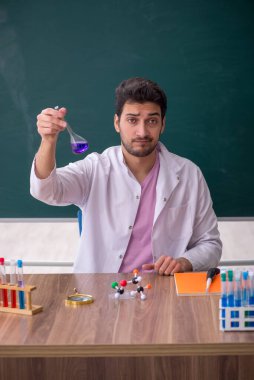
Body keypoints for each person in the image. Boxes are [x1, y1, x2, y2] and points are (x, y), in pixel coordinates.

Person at [30, 77, 222, 274]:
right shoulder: (95, 169)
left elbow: (211, 244)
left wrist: (184, 262)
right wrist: (48, 140)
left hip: (165, 290)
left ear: (162, 124)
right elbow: (45, 190)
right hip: (101, 291)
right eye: (132, 120)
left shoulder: (189, 174)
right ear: (117, 123)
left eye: (152, 121)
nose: (142, 131)